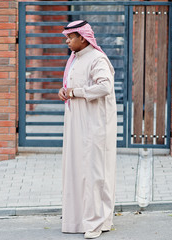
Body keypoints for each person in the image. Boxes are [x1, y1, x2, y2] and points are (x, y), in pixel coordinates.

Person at [58, 20, 117, 239]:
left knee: (94, 173)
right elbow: (70, 86)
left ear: (82, 37)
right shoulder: (75, 58)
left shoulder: (97, 58)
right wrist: (63, 92)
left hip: (95, 126)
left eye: (70, 37)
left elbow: (105, 86)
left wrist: (75, 92)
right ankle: (77, 220)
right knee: (76, 170)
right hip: (76, 125)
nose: (67, 41)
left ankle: (96, 223)